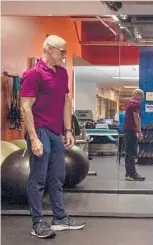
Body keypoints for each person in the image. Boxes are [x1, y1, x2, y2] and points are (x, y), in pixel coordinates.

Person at [20, 35, 85, 239]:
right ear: (48, 48)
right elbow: (25, 107)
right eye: (61, 51)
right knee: (38, 178)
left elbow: (66, 102)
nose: (64, 56)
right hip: (39, 130)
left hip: (56, 131)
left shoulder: (63, 73)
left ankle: (59, 218)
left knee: (57, 176)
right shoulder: (33, 74)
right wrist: (33, 138)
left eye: (66, 52)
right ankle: (37, 222)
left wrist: (68, 130)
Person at [123, 89, 145, 181]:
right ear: (139, 95)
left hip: (127, 130)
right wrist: (139, 131)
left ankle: (130, 173)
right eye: (142, 96)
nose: (142, 99)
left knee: (129, 153)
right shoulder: (136, 103)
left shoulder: (130, 103)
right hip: (131, 131)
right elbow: (136, 117)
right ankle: (131, 174)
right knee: (131, 152)